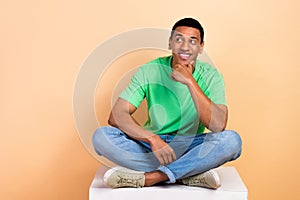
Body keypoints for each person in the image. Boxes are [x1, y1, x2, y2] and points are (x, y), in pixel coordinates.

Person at [92, 17, 242, 189]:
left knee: (232, 141)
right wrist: (153, 139)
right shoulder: (150, 70)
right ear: (170, 43)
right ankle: (186, 173)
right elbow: (116, 116)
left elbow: (218, 125)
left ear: (201, 47)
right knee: (101, 136)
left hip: (190, 146)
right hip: (153, 148)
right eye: (179, 39)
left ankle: (153, 177)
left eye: (193, 41)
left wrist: (190, 81)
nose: (185, 47)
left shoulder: (211, 76)